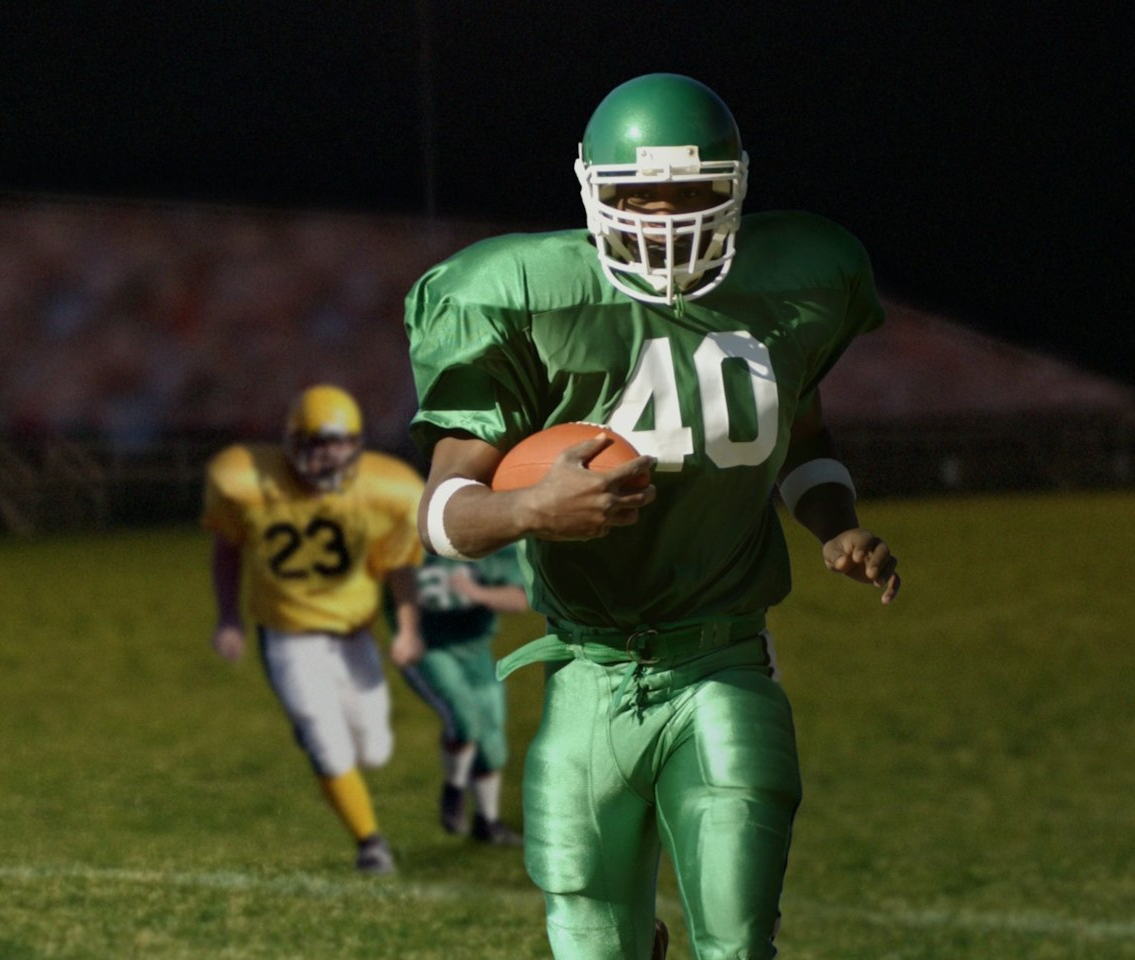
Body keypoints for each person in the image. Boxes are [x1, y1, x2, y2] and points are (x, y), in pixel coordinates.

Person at [402, 73, 902, 959]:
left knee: (738, 938)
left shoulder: (793, 285)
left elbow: (800, 431)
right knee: (593, 938)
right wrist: (531, 509)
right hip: (589, 669)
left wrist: (837, 524)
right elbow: (441, 514)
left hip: (721, 658)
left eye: (695, 192)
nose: (666, 217)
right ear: (594, 189)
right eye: (639, 194)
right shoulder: (519, 296)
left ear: (737, 190)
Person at [202, 383, 427, 875]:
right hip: (288, 634)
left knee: (375, 750)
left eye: (336, 444)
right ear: (291, 442)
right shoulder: (246, 478)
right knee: (329, 740)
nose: (324, 457)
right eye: (313, 443)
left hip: (354, 635)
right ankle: (370, 844)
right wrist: (228, 617)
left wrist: (407, 628)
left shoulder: (387, 490)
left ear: (356, 445)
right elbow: (227, 546)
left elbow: (398, 566)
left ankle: (323, 739)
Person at [386, 543, 527, 846]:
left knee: (491, 742)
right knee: (464, 718)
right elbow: (387, 575)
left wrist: (478, 594)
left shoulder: (494, 541)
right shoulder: (405, 527)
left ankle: (487, 823)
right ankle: (454, 790)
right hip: (429, 645)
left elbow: (521, 596)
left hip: (476, 649)